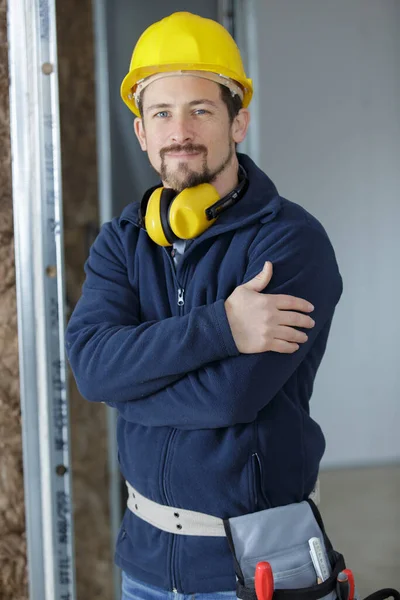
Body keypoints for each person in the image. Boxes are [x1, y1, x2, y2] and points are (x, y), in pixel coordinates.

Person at [65, 11, 342, 600]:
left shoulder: (290, 242)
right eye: (161, 112)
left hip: (256, 565)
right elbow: (91, 368)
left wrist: (132, 383)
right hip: (142, 562)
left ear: (238, 121)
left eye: (201, 110)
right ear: (141, 132)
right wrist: (223, 326)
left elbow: (231, 395)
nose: (179, 130)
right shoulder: (123, 240)